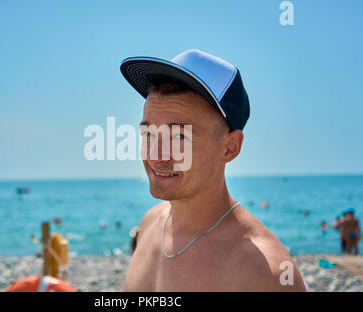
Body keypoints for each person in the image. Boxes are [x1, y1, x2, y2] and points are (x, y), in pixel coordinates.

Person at [120, 49, 306, 291]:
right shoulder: (151, 222)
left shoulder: (265, 272)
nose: (155, 155)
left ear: (229, 148)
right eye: (149, 133)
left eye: (179, 136)